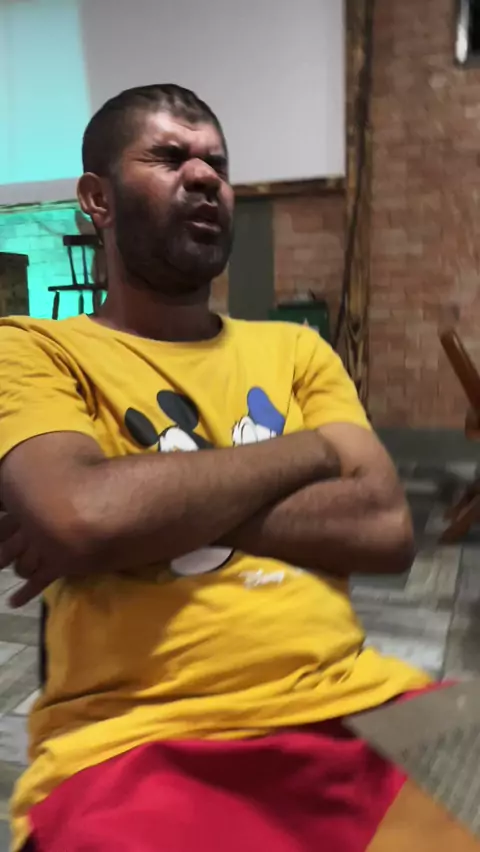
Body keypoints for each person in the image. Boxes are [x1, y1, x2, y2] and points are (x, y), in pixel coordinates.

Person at [0, 84, 434, 852]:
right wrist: (313, 450)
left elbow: (385, 528)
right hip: (133, 741)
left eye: (218, 164)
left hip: (356, 703)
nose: (205, 177)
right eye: (170, 157)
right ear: (97, 199)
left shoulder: (296, 348)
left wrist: (136, 506)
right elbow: (82, 515)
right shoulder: (33, 350)